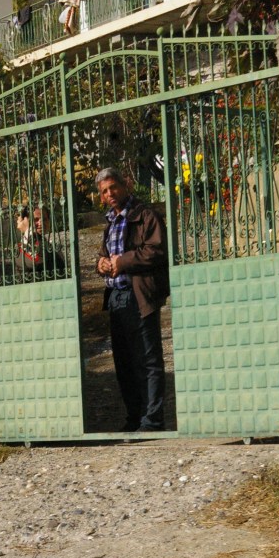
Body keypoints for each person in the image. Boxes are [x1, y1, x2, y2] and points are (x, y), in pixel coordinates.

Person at [95, 168, 170, 432]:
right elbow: (105, 255)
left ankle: (153, 421)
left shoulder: (145, 216)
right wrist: (101, 263)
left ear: (125, 184)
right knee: (124, 363)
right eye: (104, 191)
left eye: (113, 187)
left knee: (148, 360)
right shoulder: (110, 223)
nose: (110, 194)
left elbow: (157, 250)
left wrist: (122, 261)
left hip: (140, 295)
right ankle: (134, 418)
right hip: (116, 298)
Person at [16, 205, 65, 276]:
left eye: (44, 219)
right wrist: (27, 231)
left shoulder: (51, 245)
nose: (41, 223)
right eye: (36, 219)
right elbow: (35, 261)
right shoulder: (18, 248)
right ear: (25, 221)